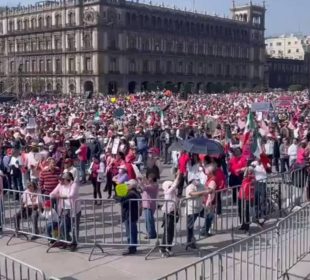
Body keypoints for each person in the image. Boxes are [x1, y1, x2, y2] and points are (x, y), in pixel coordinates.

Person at [50, 172, 81, 251]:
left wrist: (59, 196)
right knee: (62, 227)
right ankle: (67, 240)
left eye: (62, 179)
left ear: (68, 179)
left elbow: (71, 195)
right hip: (64, 209)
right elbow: (52, 194)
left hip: (74, 209)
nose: (60, 180)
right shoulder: (60, 185)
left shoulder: (74, 185)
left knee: (74, 227)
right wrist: (55, 195)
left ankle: (74, 243)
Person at [117, 179, 141, 255]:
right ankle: (132, 246)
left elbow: (121, 200)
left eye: (128, 185)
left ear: (131, 186)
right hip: (130, 214)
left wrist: (119, 195)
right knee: (130, 231)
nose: (126, 186)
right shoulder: (133, 193)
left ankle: (132, 247)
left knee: (131, 232)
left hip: (130, 215)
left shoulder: (131, 193)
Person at [159, 173, 180, 257]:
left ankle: (168, 248)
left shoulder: (173, 193)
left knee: (170, 232)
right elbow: (175, 185)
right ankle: (163, 248)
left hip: (173, 213)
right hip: (168, 214)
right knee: (167, 232)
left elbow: (175, 186)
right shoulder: (168, 192)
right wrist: (179, 174)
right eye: (169, 186)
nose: (171, 187)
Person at [140, 172, 159, 239]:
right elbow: (143, 187)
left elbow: (144, 187)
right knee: (148, 219)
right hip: (146, 204)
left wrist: (142, 180)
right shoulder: (150, 185)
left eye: (149, 179)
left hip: (149, 204)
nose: (148, 180)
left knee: (149, 220)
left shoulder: (154, 186)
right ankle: (151, 233)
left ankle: (151, 234)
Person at [238, 167, 255, 233]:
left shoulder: (252, 178)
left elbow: (252, 180)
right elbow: (239, 172)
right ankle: (243, 224)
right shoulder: (245, 178)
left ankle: (246, 226)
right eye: (248, 171)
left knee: (246, 212)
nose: (248, 172)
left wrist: (248, 174)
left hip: (247, 197)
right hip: (241, 196)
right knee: (241, 211)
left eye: (249, 171)